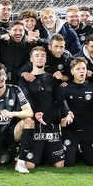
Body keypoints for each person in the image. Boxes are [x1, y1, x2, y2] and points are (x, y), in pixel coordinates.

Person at [15, 45, 71, 173]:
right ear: (31, 59)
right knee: (30, 165)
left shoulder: (52, 78)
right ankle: (23, 155)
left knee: (60, 165)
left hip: (51, 125)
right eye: (37, 55)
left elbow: (60, 99)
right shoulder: (24, 79)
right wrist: (35, 113)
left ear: (46, 59)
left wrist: (68, 112)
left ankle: (45, 154)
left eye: (43, 56)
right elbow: (26, 100)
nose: (40, 58)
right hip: (36, 126)